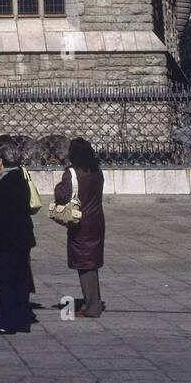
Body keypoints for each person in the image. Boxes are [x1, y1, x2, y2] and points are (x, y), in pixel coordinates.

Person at [0, 142, 37, 335]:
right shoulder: (20, 178)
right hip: (23, 237)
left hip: (7, 238)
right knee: (21, 281)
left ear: (0, 161)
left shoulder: (5, 184)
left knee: (6, 281)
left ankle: (6, 321)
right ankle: (21, 319)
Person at [54, 137, 106, 319]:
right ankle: (94, 300)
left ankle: (92, 306)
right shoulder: (97, 171)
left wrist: (59, 185)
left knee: (85, 263)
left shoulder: (72, 174)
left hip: (81, 222)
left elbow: (62, 195)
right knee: (92, 261)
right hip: (97, 220)